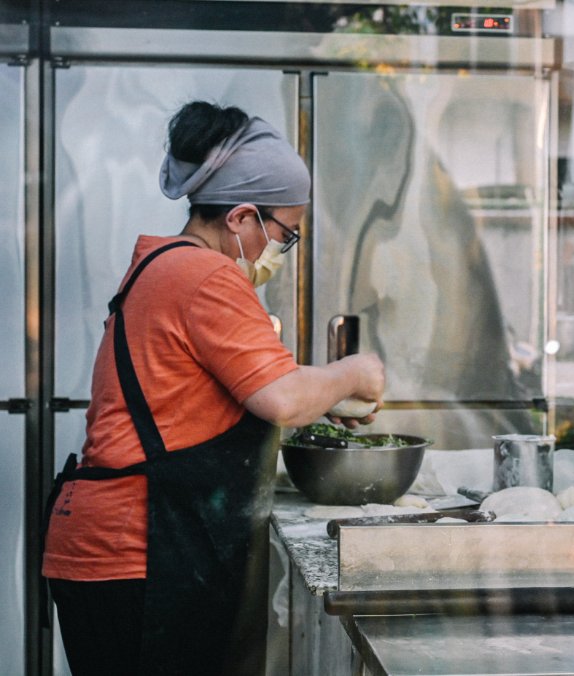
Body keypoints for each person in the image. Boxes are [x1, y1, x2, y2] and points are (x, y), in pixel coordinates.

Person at [42, 101, 386, 675]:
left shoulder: (167, 266)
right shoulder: (206, 276)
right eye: (286, 234)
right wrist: (354, 372)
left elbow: (215, 395)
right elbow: (279, 396)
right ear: (242, 218)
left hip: (124, 547)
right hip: (137, 552)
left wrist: (321, 401)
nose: (283, 250)